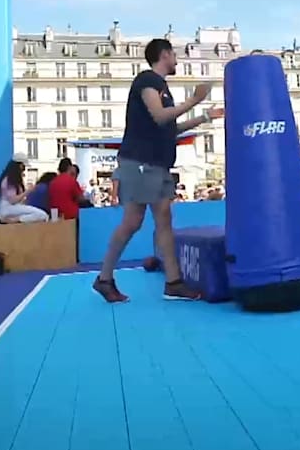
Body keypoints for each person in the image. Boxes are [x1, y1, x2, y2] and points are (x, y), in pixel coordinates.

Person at [92, 38, 219, 303]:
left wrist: (206, 117)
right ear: (164, 55)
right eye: (174, 54)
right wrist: (195, 100)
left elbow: (170, 128)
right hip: (140, 162)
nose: (176, 59)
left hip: (155, 164)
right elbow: (161, 116)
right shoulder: (147, 81)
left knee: (163, 219)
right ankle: (105, 278)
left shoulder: (162, 88)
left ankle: (173, 282)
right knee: (133, 222)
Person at [0, 155, 49, 223]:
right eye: (24, 167)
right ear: (20, 165)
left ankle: (17, 219)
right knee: (42, 215)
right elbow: (13, 200)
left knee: (39, 215)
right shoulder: (9, 180)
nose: (24, 170)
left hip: (8, 209)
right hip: (8, 209)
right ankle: (17, 219)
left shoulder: (8, 179)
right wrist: (28, 191)